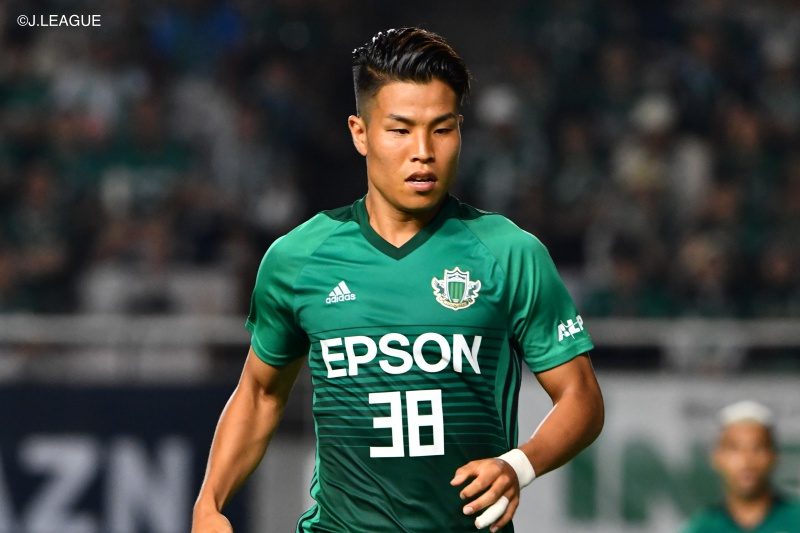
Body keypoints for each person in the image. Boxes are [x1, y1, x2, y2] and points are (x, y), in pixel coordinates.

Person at [192, 27, 604, 533]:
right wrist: (209, 504)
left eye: (442, 129)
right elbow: (260, 393)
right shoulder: (298, 259)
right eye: (400, 130)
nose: (423, 151)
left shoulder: (509, 253)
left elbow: (581, 396)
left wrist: (519, 465)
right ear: (360, 133)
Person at [682, 400, 800, 533]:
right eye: (735, 448)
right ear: (717, 457)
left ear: (774, 456)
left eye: (757, 448)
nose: (746, 461)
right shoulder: (701, 528)